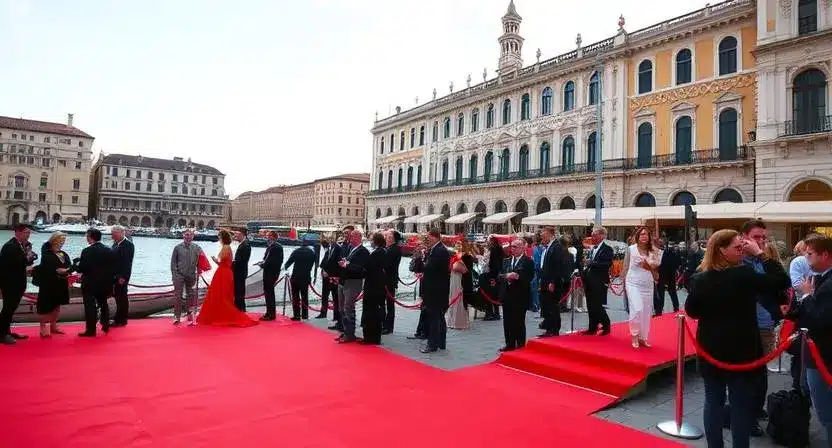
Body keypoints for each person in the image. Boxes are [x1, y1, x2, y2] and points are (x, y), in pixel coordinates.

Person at [685, 229, 790, 448]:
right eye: (737, 247)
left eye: (743, 246)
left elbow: (692, 311)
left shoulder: (701, 278)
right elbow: (781, 280)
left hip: (711, 347)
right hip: (740, 349)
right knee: (738, 404)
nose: (742, 250)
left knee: (714, 402)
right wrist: (761, 254)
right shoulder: (744, 275)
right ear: (722, 250)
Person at [740, 220, 789, 425]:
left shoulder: (764, 260)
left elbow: (781, 282)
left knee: (760, 371)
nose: (761, 241)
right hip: (745, 326)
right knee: (747, 373)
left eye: (763, 237)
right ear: (744, 238)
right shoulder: (740, 261)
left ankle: (757, 408)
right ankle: (746, 416)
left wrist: (780, 305)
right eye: (756, 237)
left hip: (766, 323)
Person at [792, 236, 832, 443]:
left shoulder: (828, 284)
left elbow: (820, 319)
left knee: (825, 410)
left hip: (823, 356)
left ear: (824, 255)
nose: (805, 258)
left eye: (809, 254)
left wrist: (807, 296)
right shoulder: (822, 279)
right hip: (820, 354)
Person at [197, 229, 258, 327]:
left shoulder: (228, 247)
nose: (219, 239)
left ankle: (236, 313)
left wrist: (215, 260)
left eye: (219, 237)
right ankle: (236, 311)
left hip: (224, 272)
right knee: (225, 294)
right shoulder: (229, 247)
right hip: (226, 272)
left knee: (222, 294)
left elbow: (230, 263)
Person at [622, 226, 661, 349]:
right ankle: (634, 335)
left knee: (645, 311)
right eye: (641, 234)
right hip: (632, 282)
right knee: (637, 308)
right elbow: (625, 267)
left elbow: (656, 274)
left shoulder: (654, 251)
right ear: (637, 237)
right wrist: (621, 283)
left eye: (646, 234)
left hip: (647, 284)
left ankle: (643, 337)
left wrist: (649, 268)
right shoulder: (631, 249)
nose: (644, 236)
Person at [76, 228, 116, 337]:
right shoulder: (109, 250)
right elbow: (113, 268)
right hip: (104, 282)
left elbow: (81, 268)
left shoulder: (86, 251)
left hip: (89, 282)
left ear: (90, 237)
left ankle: (91, 330)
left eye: (87, 236)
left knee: (90, 306)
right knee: (103, 303)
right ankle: (106, 324)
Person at [0, 223, 34, 344]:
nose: (28, 235)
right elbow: (19, 262)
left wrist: (29, 256)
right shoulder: (10, 246)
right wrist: (28, 257)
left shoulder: (21, 246)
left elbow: (26, 260)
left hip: (18, 281)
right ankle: (2, 334)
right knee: (8, 308)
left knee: (11, 308)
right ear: (18, 232)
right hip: (10, 283)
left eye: (29, 233)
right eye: (26, 233)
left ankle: (7, 331)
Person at [35, 232, 73, 338]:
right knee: (45, 307)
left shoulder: (63, 254)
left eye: (63, 241)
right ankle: (43, 328)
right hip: (49, 284)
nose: (62, 243)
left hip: (61, 283)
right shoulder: (47, 254)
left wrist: (68, 270)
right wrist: (60, 270)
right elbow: (49, 268)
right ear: (55, 240)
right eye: (61, 241)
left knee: (57, 306)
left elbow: (68, 265)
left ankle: (53, 326)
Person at [499, 238, 533, 352]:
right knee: (507, 321)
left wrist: (518, 277)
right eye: (512, 246)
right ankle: (509, 343)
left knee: (518, 320)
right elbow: (500, 275)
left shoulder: (528, 261)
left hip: (520, 296)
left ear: (522, 247)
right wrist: (506, 276)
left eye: (515, 246)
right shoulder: (506, 260)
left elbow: (529, 277)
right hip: (507, 295)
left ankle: (520, 343)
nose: (512, 249)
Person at [420, 228, 451, 353]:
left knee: (434, 318)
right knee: (439, 317)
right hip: (437, 289)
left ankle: (432, 344)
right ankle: (441, 342)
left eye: (429, 237)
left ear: (435, 237)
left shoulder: (439, 251)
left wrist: (423, 259)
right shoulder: (437, 250)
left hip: (435, 290)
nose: (427, 240)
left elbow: (429, 268)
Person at [337, 230, 368, 343]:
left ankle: (350, 334)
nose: (350, 238)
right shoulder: (351, 248)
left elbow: (361, 268)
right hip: (345, 281)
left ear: (359, 238)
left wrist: (347, 265)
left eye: (353, 236)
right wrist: (345, 263)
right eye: (351, 236)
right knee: (343, 308)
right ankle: (346, 331)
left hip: (354, 281)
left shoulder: (363, 251)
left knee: (348, 307)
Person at [538, 226, 570, 338]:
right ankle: (549, 328)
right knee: (547, 305)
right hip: (546, 281)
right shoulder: (549, 247)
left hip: (552, 282)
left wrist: (552, 282)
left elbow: (557, 266)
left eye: (543, 234)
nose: (541, 236)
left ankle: (554, 329)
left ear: (550, 234)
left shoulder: (556, 247)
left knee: (552, 306)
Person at [582, 226, 613, 336]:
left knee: (597, 305)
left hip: (599, 281)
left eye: (595, 234)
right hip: (589, 280)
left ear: (602, 236)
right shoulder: (593, 248)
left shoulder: (607, 249)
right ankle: (592, 327)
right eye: (593, 234)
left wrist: (592, 263)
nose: (593, 237)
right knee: (590, 305)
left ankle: (606, 325)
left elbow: (606, 264)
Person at [170, 230, 204, 325]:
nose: (187, 237)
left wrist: (199, 270)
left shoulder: (197, 248)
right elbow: (173, 263)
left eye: (189, 235)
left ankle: (189, 312)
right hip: (179, 275)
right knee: (178, 296)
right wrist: (175, 274)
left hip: (191, 274)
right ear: (183, 236)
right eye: (186, 235)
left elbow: (201, 261)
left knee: (190, 295)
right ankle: (177, 316)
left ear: (193, 237)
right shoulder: (177, 248)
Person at [360, 232, 388, 345]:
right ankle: (375, 336)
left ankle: (369, 337)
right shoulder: (384, 252)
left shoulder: (376, 254)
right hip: (379, 286)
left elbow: (368, 267)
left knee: (370, 311)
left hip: (372, 286)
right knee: (376, 311)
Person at [284, 239, 316, 321]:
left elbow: (288, 263)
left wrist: (285, 268)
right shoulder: (312, 253)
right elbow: (313, 264)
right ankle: (305, 315)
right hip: (306, 277)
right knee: (305, 296)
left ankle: (297, 315)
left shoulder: (296, 251)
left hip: (296, 277)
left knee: (295, 297)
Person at [256, 231, 283, 321]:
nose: (268, 237)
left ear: (274, 237)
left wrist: (262, 265)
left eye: (270, 236)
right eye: (268, 236)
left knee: (269, 294)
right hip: (270, 272)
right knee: (268, 293)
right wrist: (262, 262)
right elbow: (267, 259)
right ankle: (270, 313)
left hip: (271, 273)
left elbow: (271, 261)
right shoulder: (273, 246)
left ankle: (270, 314)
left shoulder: (275, 247)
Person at [110, 225, 135, 327]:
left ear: (120, 233)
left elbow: (127, 263)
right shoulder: (115, 244)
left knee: (122, 297)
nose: (112, 236)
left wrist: (123, 277)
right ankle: (118, 318)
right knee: (117, 297)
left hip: (121, 276)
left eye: (113, 234)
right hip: (114, 276)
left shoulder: (128, 245)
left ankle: (122, 319)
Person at [446, 240, 471, 330]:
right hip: (453, 279)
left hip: (460, 280)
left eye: (460, 244)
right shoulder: (454, 256)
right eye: (457, 244)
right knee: (452, 298)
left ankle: (459, 322)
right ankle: (452, 321)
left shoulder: (467, 256)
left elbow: (466, 271)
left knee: (459, 300)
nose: (458, 246)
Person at [382, 230, 402, 334]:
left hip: (389, 280)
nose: (386, 237)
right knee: (386, 304)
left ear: (392, 238)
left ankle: (388, 327)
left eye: (388, 236)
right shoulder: (389, 248)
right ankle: (385, 324)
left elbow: (387, 264)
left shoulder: (394, 249)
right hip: (386, 279)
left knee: (389, 304)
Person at [654, 238, 680, 316]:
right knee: (664, 293)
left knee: (664, 293)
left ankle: (661, 311)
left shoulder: (668, 252)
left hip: (666, 275)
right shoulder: (669, 252)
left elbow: (676, 263)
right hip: (665, 275)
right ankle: (660, 311)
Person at [319, 237, 340, 321]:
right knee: (324, 295)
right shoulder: (328, 250)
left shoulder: (338, 248)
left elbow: (337, 263)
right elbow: (323, 262)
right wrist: (323, 270)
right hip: (326, 276)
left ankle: (336, 316)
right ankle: (323, 313)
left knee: (335, 297)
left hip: (333, 276)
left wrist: (329, 272)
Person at [483, 236, 504, 321]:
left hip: (493, 274)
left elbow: (494, 263)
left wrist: (492, 276)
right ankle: (496, 313)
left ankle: (493, 313)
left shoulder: (495, 250)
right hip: (496, 274)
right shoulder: (499, 249)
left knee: (491, 294)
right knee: (494, 294)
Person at [232, 228, 251, 312]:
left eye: (237, 234)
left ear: (243, 235)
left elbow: (242, 261)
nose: (236, 236)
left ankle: (240, 310)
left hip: (240, 272)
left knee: (239, 292)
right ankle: (239, 309)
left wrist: (230, 263)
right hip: (239, 272)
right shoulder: (243, 244)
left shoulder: (245, 245)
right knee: (238, 292)